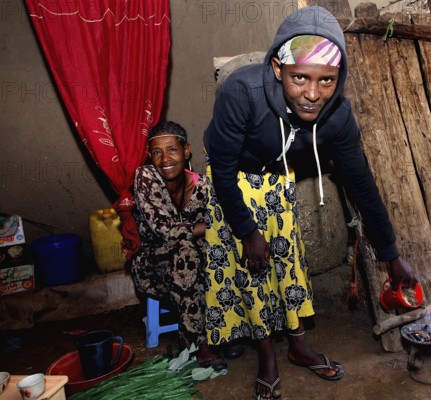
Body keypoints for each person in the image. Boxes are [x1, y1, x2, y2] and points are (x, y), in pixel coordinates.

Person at [203, 6, 415, 399]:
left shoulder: (337, 117)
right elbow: (221, 169)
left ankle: (299, 345)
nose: (313, 93)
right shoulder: (241, 93)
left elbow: (362, 185)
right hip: (232, 183)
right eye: (300, 77)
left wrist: (390, 253)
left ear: (340, 78)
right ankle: (267, 355)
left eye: (327, 80)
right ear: (278, 68)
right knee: (252, 270)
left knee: (289, 263)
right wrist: (247, 230)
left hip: (276, 183)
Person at [130, 120, 227, 370]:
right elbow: (163, 229)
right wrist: (204, 229)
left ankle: (224, 330)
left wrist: (212, 231)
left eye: (172, 149)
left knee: (215, 251)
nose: (164, 159)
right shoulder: (145, 177)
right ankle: (197, 343)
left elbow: (220, 222)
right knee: (187, 250)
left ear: (186, 151)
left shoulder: (203, 187)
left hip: (194, 261)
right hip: (152, 266)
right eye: (156, 152)